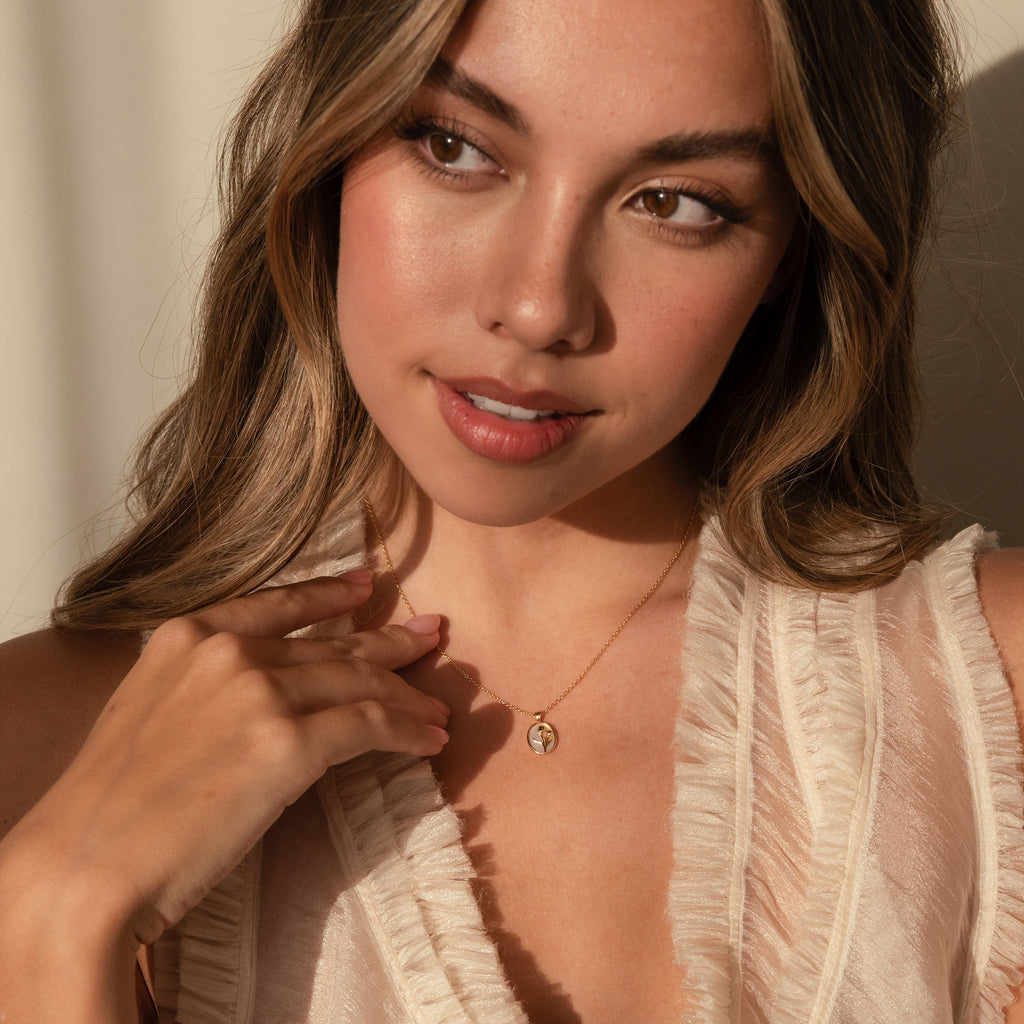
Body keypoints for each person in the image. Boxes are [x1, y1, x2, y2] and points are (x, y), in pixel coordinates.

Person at [1, 0, 1022, 1020]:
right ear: (327, 147)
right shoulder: (42, 749)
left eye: (675, 202)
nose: (538, 307)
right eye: (454, 146)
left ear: (789, 254)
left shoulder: (994, 712)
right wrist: (59, 916)